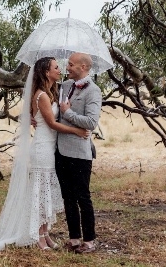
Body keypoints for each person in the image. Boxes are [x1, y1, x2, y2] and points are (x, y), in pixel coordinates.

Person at [0, 56, 90, 255]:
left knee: (45, 193)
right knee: (39, 193)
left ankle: (45, 232)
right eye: (56, 67)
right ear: (46, 72)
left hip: (50, 147)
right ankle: (38, 235)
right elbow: (51, 123)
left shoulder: (52, 92)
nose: (60, 70)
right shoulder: (41, 96)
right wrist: (76, 131)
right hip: (42, 148)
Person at [55, 52, 102, 254]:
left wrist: (68, 113)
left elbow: (91, 123)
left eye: (71, 65)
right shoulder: (64, 86)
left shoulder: (94, 91)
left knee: (83, 197)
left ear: (83, 67)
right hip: (60, 150)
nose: (68, 67)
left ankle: (89, 240)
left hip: (80, 153)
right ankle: (74, 238)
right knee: (68, 197)